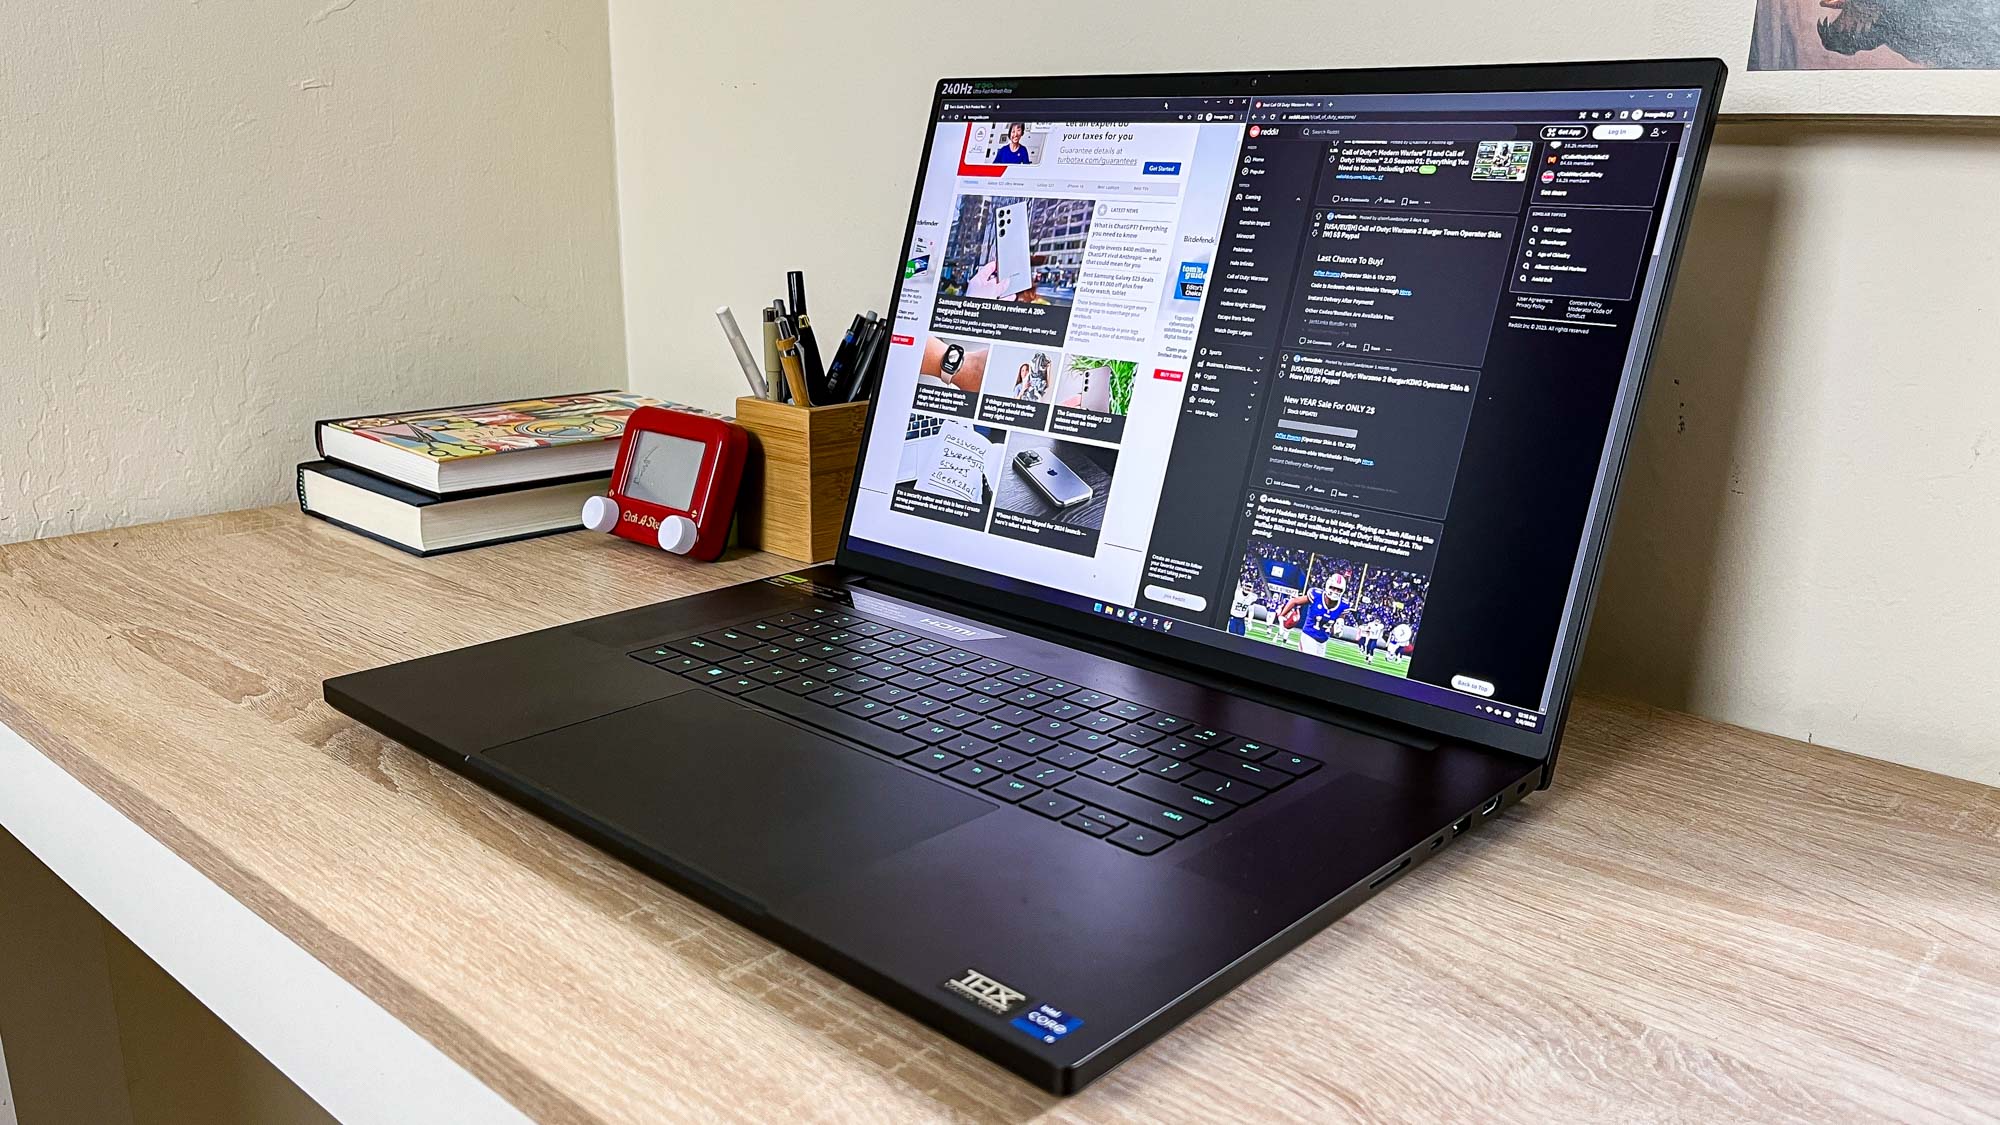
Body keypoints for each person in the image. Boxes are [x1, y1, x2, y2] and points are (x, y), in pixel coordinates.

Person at [1281, 571, 1349, 659]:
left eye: (1338, 589)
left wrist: (1337, 630)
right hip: (1308, 636)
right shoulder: (1316, 595)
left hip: (1323, 641)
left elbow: (1335, 627)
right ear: (1328, 586)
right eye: (1333, 588)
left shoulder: (1343, 605)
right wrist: (1282, 615)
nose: (1335, 591)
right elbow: (1294, 601)